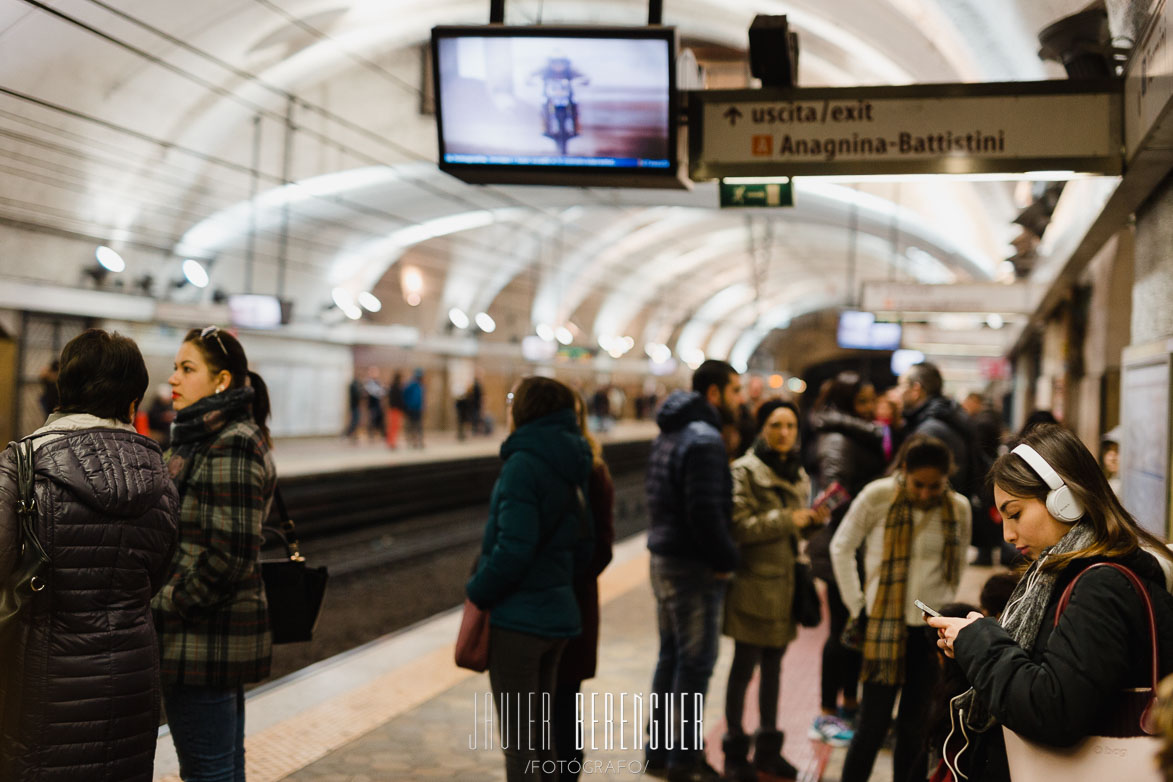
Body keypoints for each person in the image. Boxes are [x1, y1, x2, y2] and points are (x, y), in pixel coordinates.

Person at [928, 423, 1173, 782]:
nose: (1009, 535)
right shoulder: (1067, 574)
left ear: (1065, 499)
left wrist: (981, 644)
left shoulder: (1101, 586)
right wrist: (975, 641)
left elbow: (1053, 709)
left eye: (1015, 514)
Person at [0, 329, 179, 782]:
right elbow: (157, 575)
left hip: (39, 681)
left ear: (64, 390)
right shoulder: (161, 479)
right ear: (133, 402)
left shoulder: (19, 468)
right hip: (132, 680)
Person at [154, 326, 277, 782]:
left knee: (208, 772)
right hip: (204, 638)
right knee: (219, 768)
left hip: (203, 638)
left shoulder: (232, 441)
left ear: (222, 380)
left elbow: (230, 555)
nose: (174, 379)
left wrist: (167, 603)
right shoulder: (202, 436)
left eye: (188, 369)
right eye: (174, 368)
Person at [465, 377, 593, 782]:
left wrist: (478, 591)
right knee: (542, 744)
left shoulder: (523, 464)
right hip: (557, 614)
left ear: (525, 410)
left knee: (521, 750)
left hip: (519, 621)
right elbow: (584, 542)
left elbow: (514, 550)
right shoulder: (573, 459)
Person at [830, 435, 971, 782]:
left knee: (916, 729)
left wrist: (942, 604)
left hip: (929, 633)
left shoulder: (958, 508)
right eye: (918, 485)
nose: (925, 493)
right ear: (903, 470)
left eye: (934, 486)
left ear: (947, 476)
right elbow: (841, 547)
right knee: (871, 726)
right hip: (883, 625)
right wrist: (858, 605)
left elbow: (956, 564)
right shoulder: (878, 495)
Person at [644, 360, 743, 782]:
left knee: (671, 657)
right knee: (696, 664)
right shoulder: (705, 439)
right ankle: (684, 761)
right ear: (716, 393)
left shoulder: (671, 429)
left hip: (664, 559)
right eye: (736, 391)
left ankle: (658, 754)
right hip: (693, 565)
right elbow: (704, 511)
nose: (740, 399)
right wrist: (725, 560)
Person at [722, 400, 828, 781]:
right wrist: (788, 519)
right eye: (775, 425)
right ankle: (735, 752)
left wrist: (812, 523)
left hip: (785, 586)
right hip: (753, 585)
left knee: (773, 671)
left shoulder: (797, 473)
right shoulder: (744, 471)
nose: (784, 432)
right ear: (761, 428)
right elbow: (739, 527)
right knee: (743, 669)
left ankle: (768, 749)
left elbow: (793, 532)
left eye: (790, 425)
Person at [806, 371, 886, 745]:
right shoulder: (839, 438)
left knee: (854, 627)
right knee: (841, 630)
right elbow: (834, 491)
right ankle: (825, 713)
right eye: (864, 401)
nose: (873, 408)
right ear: (847, 403)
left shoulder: (857, 434)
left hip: (856, 544)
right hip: (840, 546)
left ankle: (849, 704)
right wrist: (865, 516)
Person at [553, 394, 616, 781]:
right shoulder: (592, 468)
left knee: (560, 704)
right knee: (563, 702)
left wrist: (563, 577)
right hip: (575, 602)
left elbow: (602, 547)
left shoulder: (591, 472)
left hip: (570, 602)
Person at [403, 368, 425, 448]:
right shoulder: (411, 385)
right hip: (411, 409)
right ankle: (412, 441)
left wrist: (423, 406)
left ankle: (419, 440)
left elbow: (422, 397)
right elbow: (405, 395)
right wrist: (407, 405)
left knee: (418, 425)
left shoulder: (421, 385)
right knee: (412, 425)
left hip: (418, 409)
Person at [386, 370, 405, 449]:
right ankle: (392, 442)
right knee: (394, 427)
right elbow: (399, 399)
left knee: (392, 427)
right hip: (395, 409)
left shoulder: (392, 386)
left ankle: (392, 442)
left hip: (392, 408)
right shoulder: (396, 387)